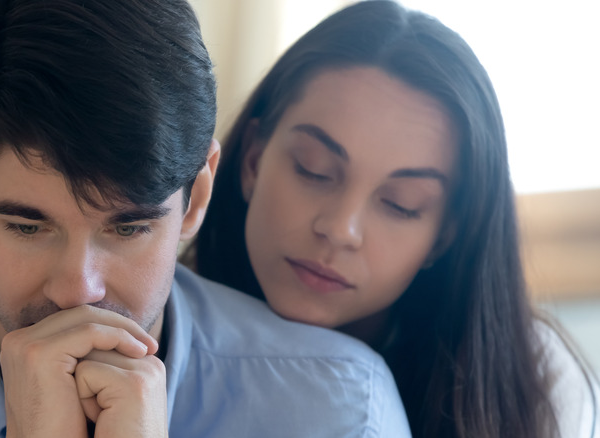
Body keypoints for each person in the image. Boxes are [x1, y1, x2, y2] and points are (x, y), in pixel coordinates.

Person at [0, 0, 412, 436]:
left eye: (128, 227)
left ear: (197, 198)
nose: (80, 288)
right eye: (27, 227)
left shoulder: (341, 411)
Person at [184, 1, 599, 437]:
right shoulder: (150, 319)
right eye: (314, 169)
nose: (341, 228)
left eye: (401, 204)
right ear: (253, 159)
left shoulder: (531, 383)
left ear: (443, 237)